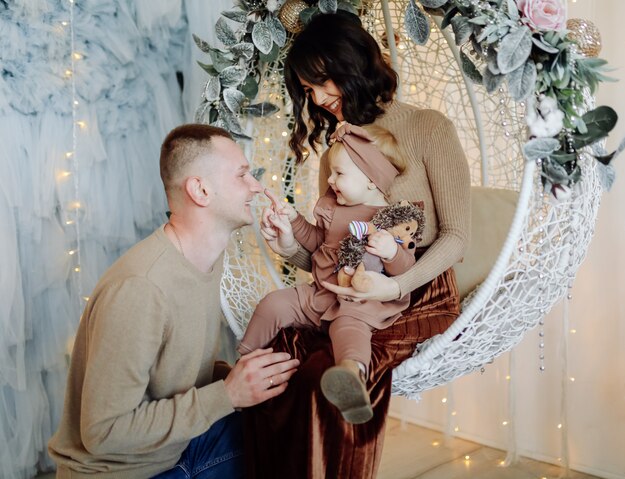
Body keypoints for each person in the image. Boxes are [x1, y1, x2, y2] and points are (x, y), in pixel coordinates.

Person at [243, 12, 471, 479]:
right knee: (286, 350)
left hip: (412, 287)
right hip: (344, 284)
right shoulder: (337, 151)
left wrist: (395, 285)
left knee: (321, 375)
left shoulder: (429, 128)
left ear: (355, 65)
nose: (320, 99)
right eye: (308, 90)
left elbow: (456, 237)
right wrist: (289, 244)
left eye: (324, 82)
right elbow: (330, 253)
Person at [48, 124, 300, 479]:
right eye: (243, 175)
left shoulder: (207, 260)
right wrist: (228, 394)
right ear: (200, 190)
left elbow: (175, 369)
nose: (256, 186)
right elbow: (103, 433)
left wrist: (249, 381)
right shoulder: (140, 289)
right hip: (126, 471)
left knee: (295, 432)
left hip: (178, 448)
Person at [238, 123, 419, 424]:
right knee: (274, 304)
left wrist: (391, 253)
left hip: (360, 301)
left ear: (372, 181)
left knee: (349, 329)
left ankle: (351, 376)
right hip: (320, 294)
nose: (331, 180)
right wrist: (293, 221)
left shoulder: (394, 219)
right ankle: (243, 361)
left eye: (339, 174)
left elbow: (406, 272)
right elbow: (317, 244)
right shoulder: (333, 208)